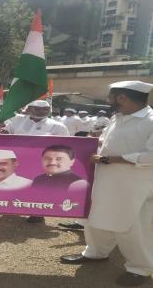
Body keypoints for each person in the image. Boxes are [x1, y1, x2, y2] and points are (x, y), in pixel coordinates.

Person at [60, 80, 153, 287]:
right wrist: (95, 144)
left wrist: (109, 159)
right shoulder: (117, 117)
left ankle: (140, 268)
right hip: (105, 179)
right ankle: (95, 253)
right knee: (96, 218)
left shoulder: (150, 120)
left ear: (122, 98)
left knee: (132, 226)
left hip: (134, 185)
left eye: (111, 96)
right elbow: (105, 142)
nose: (108, 100)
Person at [1, 100, 69, 136]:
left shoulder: (58, 126)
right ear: (28, 109)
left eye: (45, 109)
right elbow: (5, 135)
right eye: (37, 109)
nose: (42, 111)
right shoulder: (17, 121)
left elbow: (66, 144)